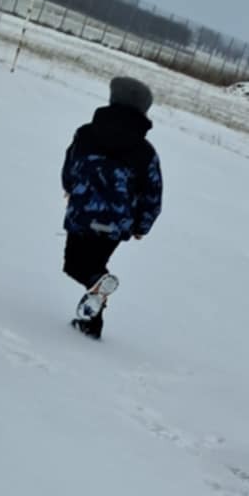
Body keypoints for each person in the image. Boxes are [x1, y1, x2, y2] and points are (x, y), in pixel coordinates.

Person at [61, 76, 163, 339]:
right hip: (117, 223)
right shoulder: (146, 152)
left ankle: (95, 292)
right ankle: (91, 324)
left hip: (83, 213)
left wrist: (70, 187)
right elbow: (152, 194)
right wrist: (142, 226)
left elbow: (71, 165)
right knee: (96, 266)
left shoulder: (86, 133)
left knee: (75, 265)